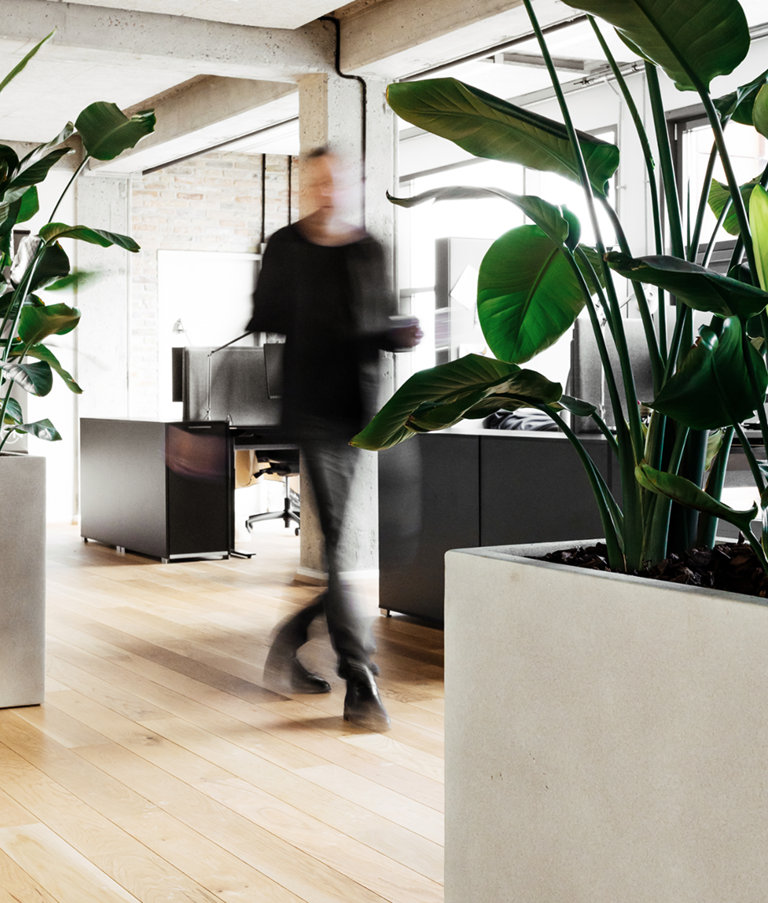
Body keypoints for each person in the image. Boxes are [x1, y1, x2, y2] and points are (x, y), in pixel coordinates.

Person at [246, 146, 422, 731]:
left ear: (353, 184)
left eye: (337, 181)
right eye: (317, 181)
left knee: (395, 540)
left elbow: (380, 324)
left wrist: (398, 334)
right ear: (305, 185)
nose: (328, 190)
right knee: (345, 545)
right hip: (314, 414)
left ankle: (290, 638)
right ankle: (360, 679)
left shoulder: (371, 247)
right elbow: (263, 316)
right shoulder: (287, 246)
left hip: (369, 413)